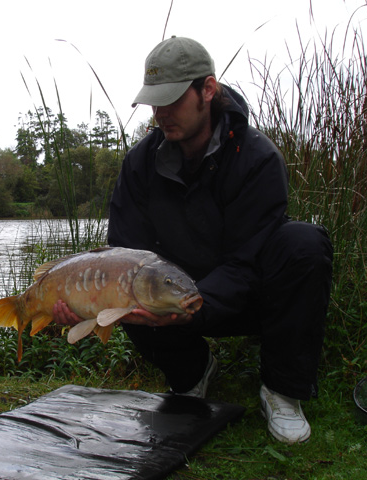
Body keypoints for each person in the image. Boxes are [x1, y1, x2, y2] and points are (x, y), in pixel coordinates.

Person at [53, 36, 333, 444]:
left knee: (304, 244)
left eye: (172, 100)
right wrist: (84, 303)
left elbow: (246, 263)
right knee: (123, 282)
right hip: (164, 297)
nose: (161, 114)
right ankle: (192, 372)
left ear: (207, 90)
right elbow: (122, 249)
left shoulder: (257, 159)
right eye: (154, 102)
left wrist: (193, 308)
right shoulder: (140, 163)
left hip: (243, 296)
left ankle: (282, 391)